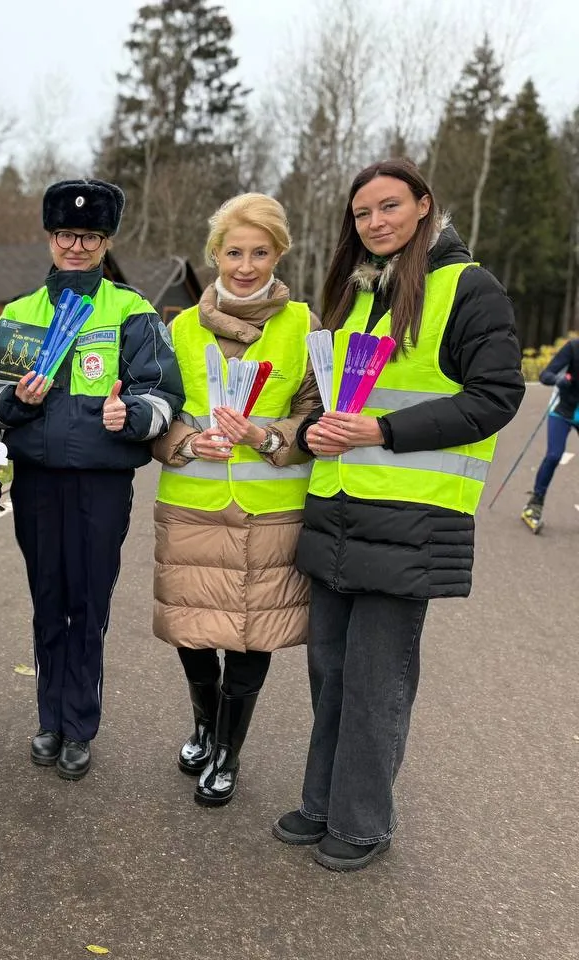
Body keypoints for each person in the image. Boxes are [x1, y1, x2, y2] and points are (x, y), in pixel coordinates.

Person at [272, 159, 523, 871]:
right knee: (330, 671)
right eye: (362, 213)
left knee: (377, 681)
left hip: (411, 519)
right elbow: (337, 399)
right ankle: (321, 802)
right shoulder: (358, 295)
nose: (375, 222)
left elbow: (495, 396)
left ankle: (362, 823)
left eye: (389, 206)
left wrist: (379, 432)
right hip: (340, 511)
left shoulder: (467, 289)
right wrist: (318, 426)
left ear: (423, 206)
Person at [0, 178, 184, 781]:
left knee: (87, 605)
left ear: (105, 240)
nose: (76, 245)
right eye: (66, 233)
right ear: (49, 235)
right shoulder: (19, 314)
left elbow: (164, 393)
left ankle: (80, 725)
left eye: (89, 236)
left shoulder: (133, 311)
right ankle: (49, 719)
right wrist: (14, 401)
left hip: (102, 483)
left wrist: (133, 416)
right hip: (37, 482)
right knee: (47, 602)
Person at [152, 193, 319, 807]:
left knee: (253, 634)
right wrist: (188, 442)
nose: (244, 265)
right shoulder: (180, 328)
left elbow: (317, 415)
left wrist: (270, 436)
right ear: (214, 254)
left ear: (279, 253)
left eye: (259, 252)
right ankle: (204, 723)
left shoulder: (305, 326)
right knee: (193, 632)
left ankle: (229, 750)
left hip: (270, 508)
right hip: (193, 501)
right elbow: (160, 412)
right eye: (233, 251)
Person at [521, 335, 579, 532]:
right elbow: (545, 375)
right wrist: (559, 379)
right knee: (554, 454)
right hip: (562, 410)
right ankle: (533, 506)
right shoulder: (573, 347)